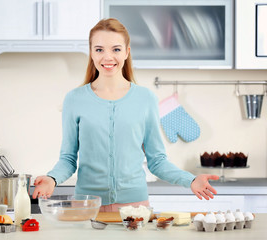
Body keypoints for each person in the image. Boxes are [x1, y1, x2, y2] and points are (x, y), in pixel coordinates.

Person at [32, 18, 219, 211]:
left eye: (116, 49)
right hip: (87, 207)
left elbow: (157, 161)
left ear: (127, 52)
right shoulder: (74, 99)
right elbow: (68, 159)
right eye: (99, 49)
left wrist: (190, 180)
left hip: (135, 209)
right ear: (91, 53)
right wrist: (52, 178)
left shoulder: (146, 99)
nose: (107, 57)